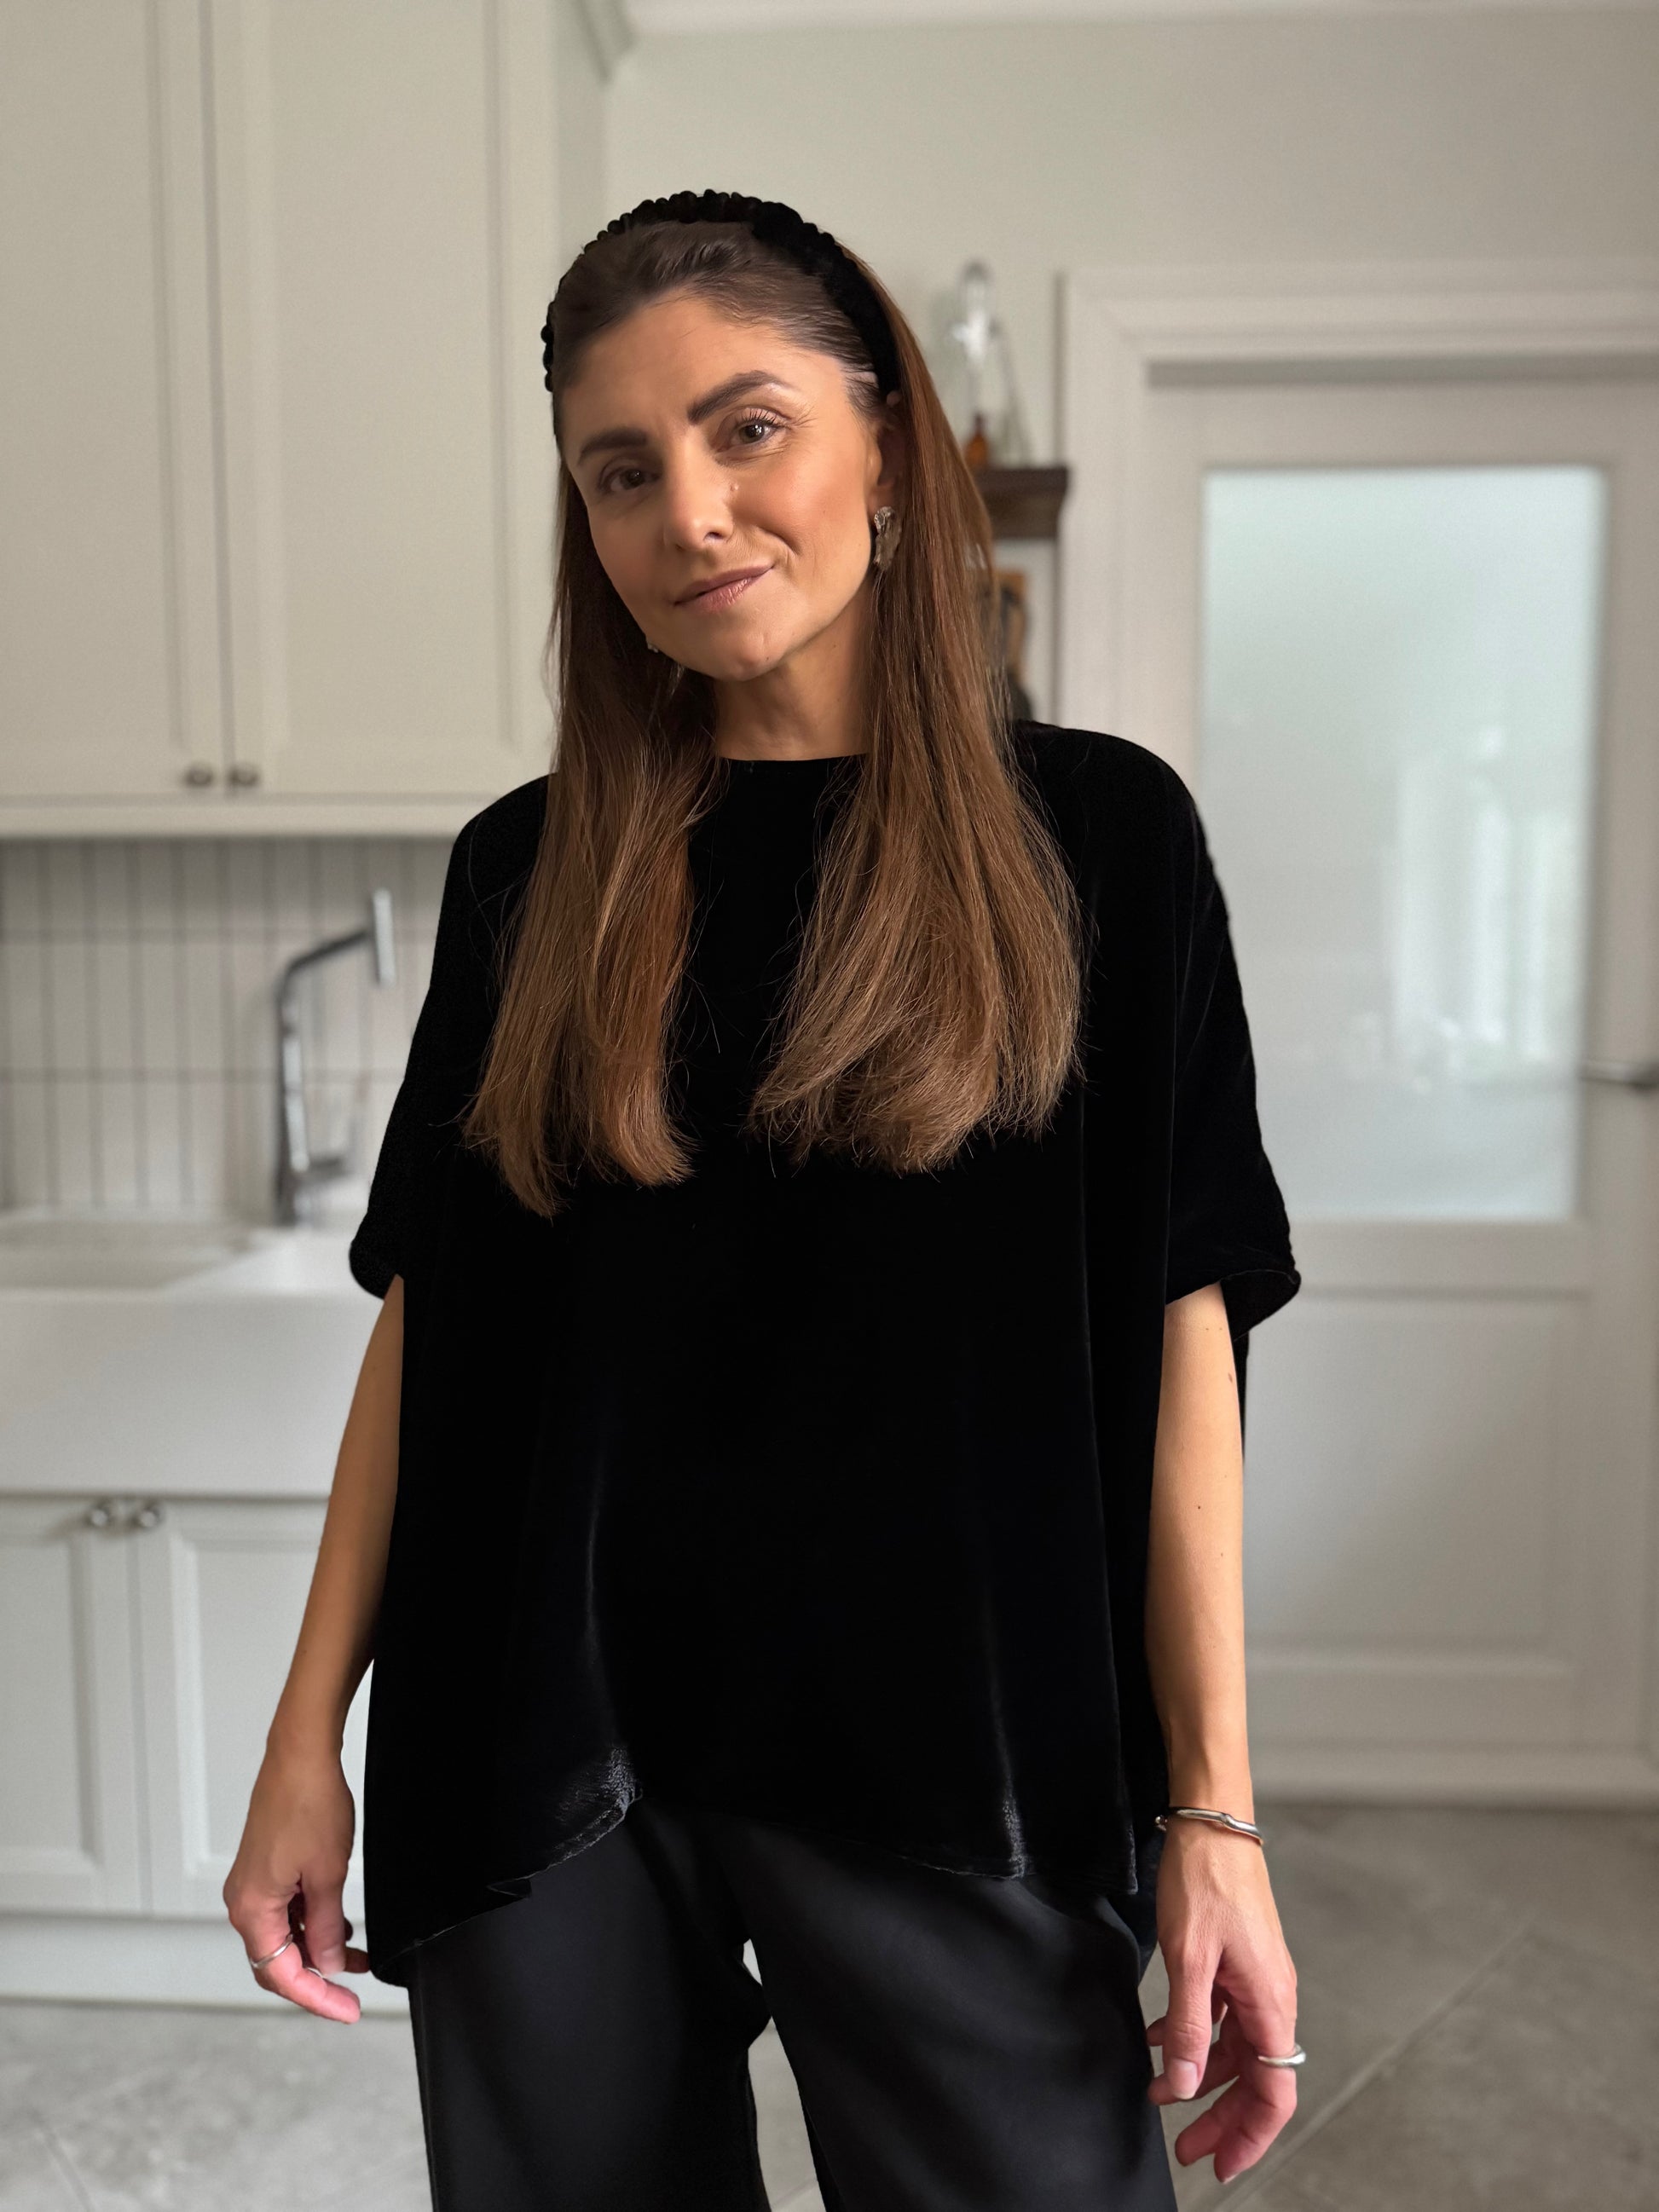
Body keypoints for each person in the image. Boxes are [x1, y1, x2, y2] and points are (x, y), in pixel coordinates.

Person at [225, 188, 1305, 2210]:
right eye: (620, 470)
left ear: (886, 440)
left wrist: (1214, 1812)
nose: (690, 513)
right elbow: (428, 1328)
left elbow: (1188, 1335)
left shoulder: (1103, 841)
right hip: (540, 1744)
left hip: (956, 1745)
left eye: (747, 429)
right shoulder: (526, 871)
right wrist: (307, 1739)